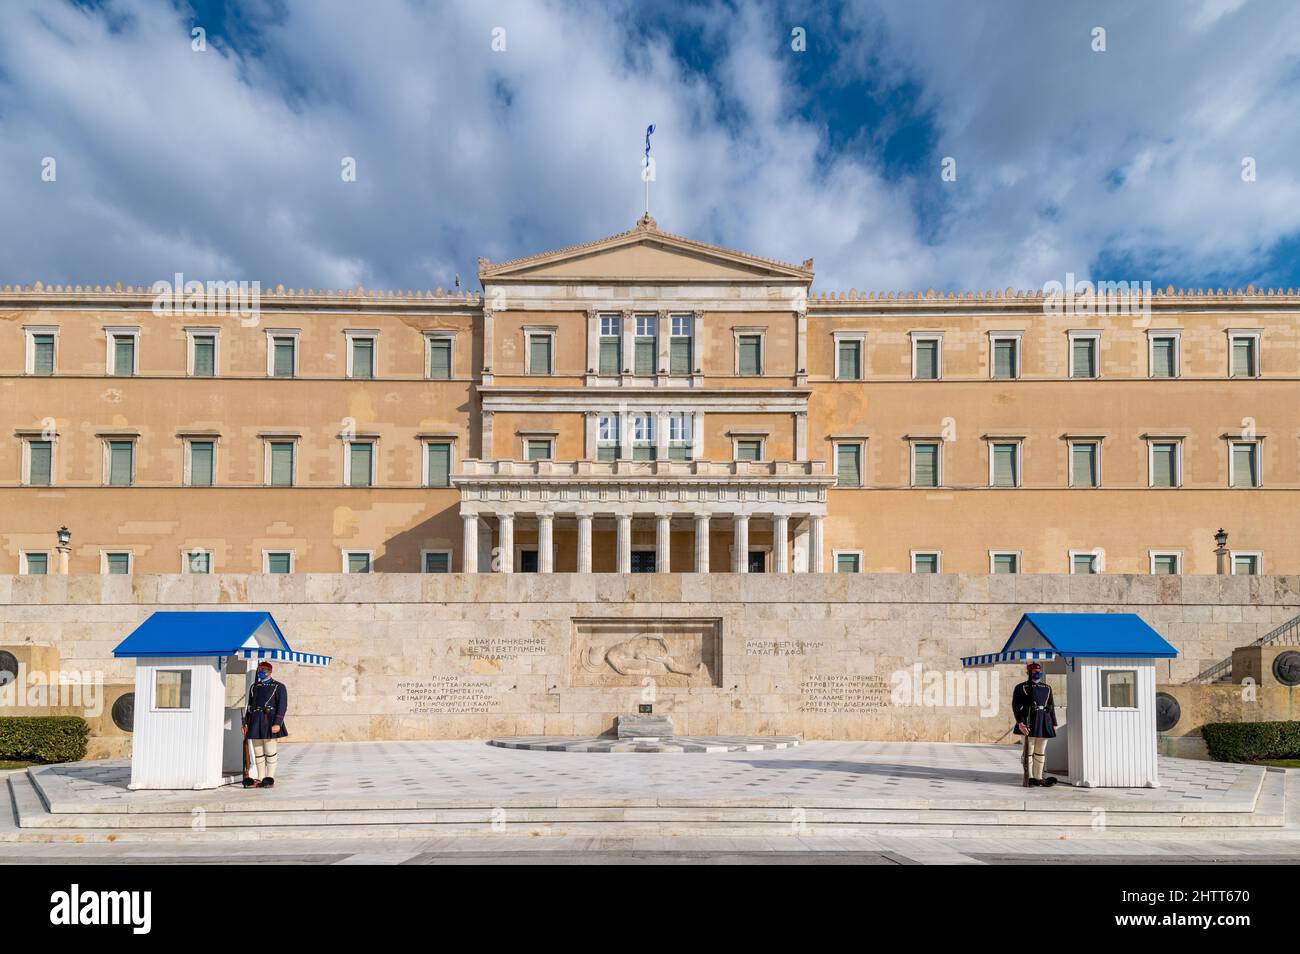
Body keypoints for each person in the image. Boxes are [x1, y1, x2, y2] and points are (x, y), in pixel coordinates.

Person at [1011, 661, 1058, 787]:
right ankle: (1030, 777)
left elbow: (1051, 706)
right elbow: (1016, 706)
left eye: (1039, 671)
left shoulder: (1047, 688)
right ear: (1028, 673)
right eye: (1034, 672)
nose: (1038, 673)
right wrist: (1020, 723)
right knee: (1029, 750)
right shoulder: (1021, 687)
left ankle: (1038, 777)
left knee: (1041, 751)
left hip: (1044, 721)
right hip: (1029, 722)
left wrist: (1054, 723)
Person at [242, 661, 288, 788]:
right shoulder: (254, 687)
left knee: (270, 750)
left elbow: (282, 706)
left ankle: (270, 777)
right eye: (260, 669)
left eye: (265, 670)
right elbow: (250, 707)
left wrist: (278, 723)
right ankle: (260, 777)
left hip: (270, 720)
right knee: (258, 751)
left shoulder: (279, 687)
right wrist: (246, 723)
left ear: (270, 671)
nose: (261, 672)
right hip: (256, 721)